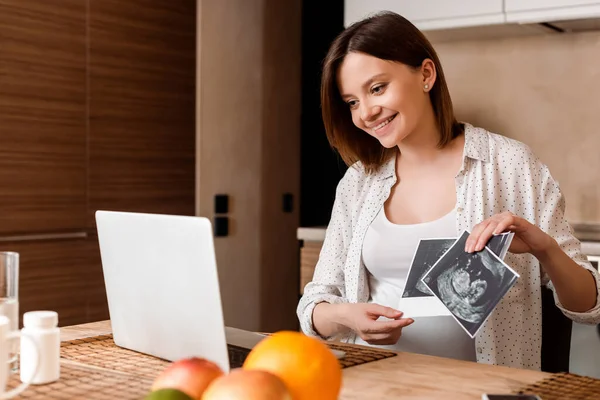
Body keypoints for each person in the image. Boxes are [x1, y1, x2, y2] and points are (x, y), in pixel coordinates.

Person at [296, 11, 600, 370]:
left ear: (426, 74)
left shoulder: (510, 164)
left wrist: (542, 246)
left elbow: (588, 307)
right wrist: (347, 316)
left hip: (484, 386)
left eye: (377, 88)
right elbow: (314, 306)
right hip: (377, 381)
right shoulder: (359, 182)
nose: (366, 112)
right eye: (352, 102)